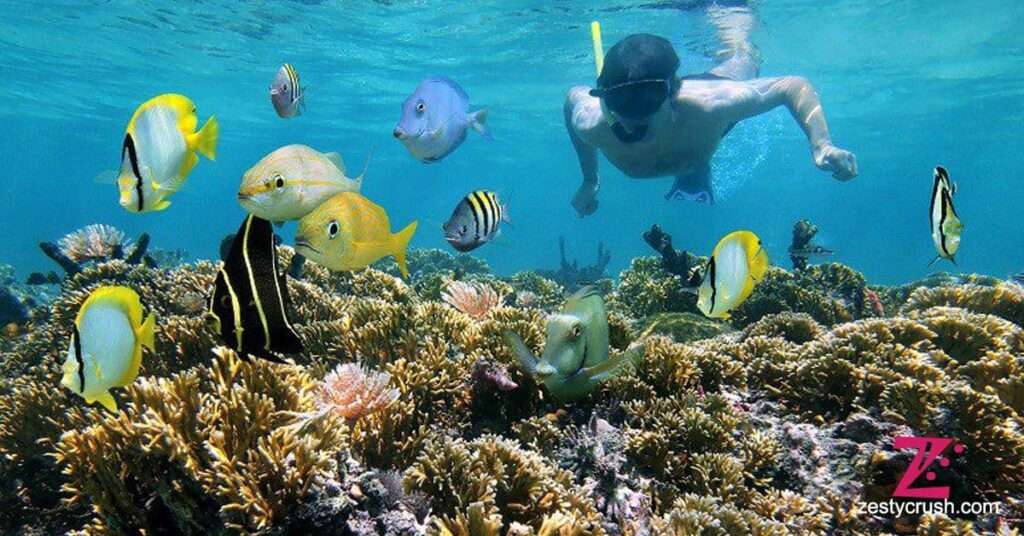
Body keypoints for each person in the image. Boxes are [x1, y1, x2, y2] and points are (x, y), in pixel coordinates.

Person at [565, 6, 857, 215]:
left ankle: (730, 22)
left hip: (709, 105)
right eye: (621, 112)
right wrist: (590, 179)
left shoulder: (713, 105)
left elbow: (791, 85)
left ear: (673, 95)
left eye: (644, 115)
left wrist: (822, 145)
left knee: (742, 56)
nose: (630, 127)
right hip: (692, 136)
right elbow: (572, 99)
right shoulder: (593, 122)